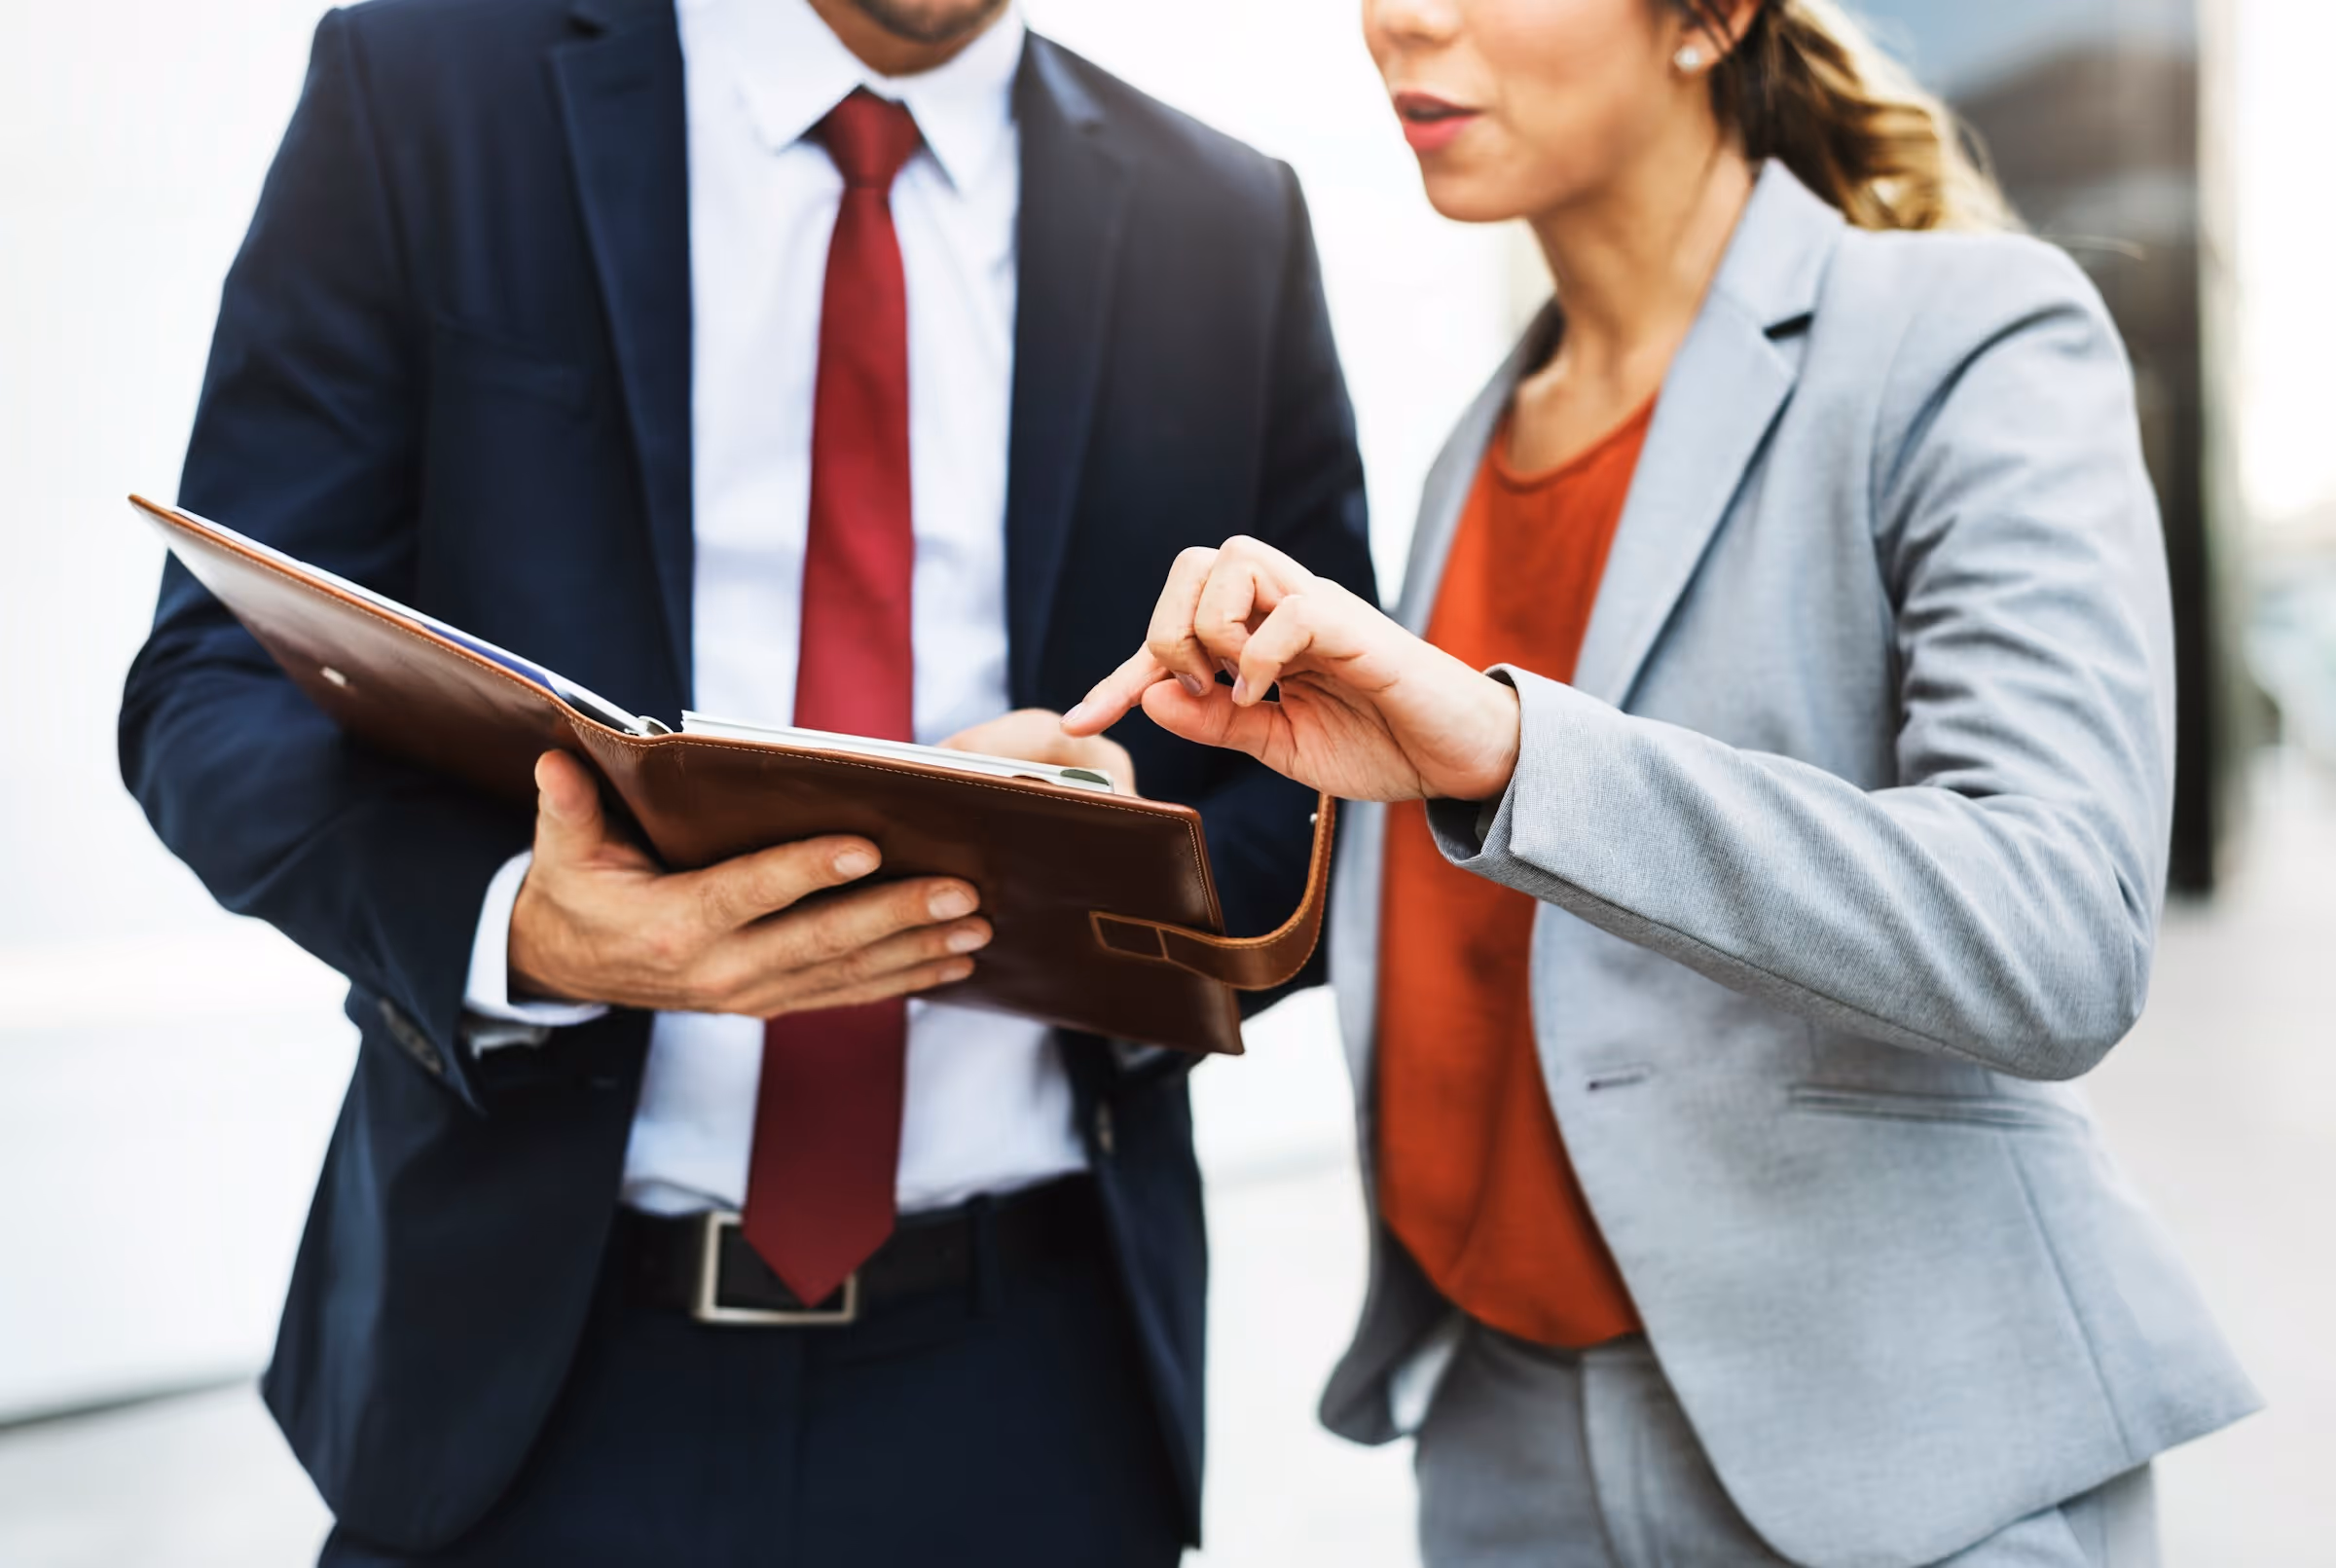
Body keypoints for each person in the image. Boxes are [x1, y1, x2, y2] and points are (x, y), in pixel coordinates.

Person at [118, 0, 1373, 1561]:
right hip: (533, 1381)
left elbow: (1325, 819)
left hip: (1031, 1396)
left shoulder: (1225, 220)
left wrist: (1089, 858)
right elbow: (212, 683)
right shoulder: (430, 93)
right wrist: (520, 924)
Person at [1066, 0, 2258, 1562]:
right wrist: (1081, 845)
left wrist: (1511, 745)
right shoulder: (1474, 444)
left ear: (1707, 20)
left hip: (1893, 1458)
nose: (1404, 21)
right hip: (1501, 1442)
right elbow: (1472, 947)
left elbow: (2062, 931)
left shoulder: (1969, 332)